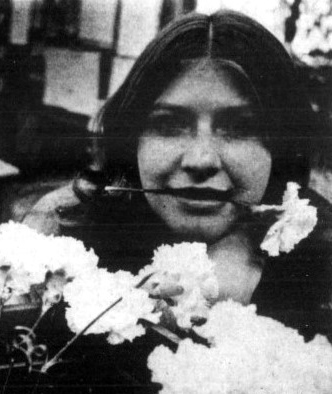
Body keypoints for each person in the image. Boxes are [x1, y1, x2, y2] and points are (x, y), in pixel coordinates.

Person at [26, 9, 332, 340]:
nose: (201, 159)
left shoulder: (318, 265)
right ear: (132, 141)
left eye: (241, 128)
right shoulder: (64, 249)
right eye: (170, 125)